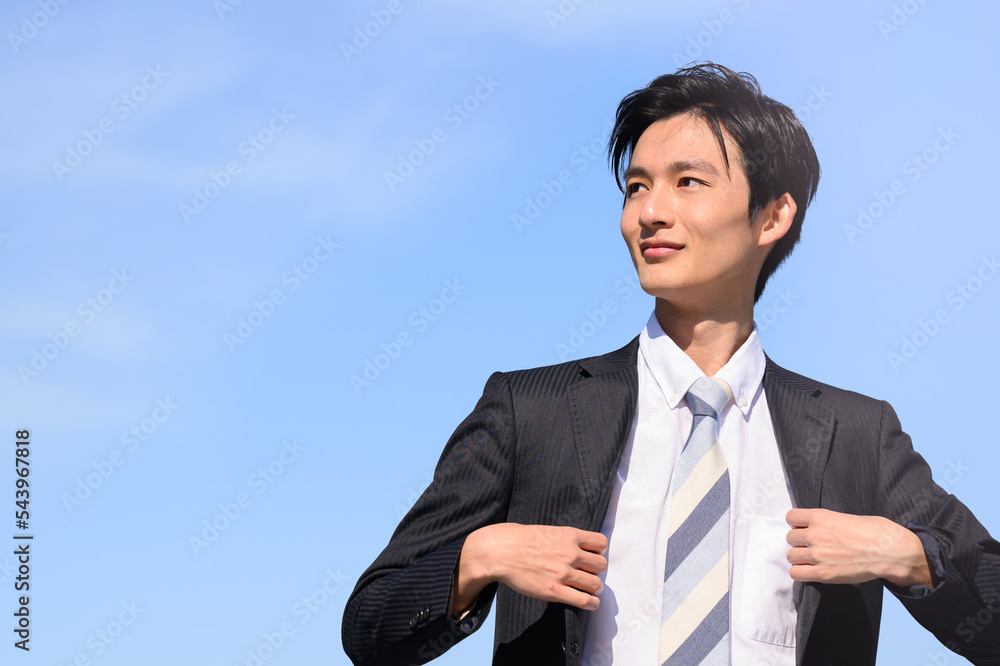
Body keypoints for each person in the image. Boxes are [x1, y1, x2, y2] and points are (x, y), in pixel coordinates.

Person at [341, 63, 1000, 665]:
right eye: (637, 187)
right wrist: (476, 557)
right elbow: (370, 628)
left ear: (772, 216)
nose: (649, 213)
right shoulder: (531, 410)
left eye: (688, 182)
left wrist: (915, 557)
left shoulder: (857, 435)